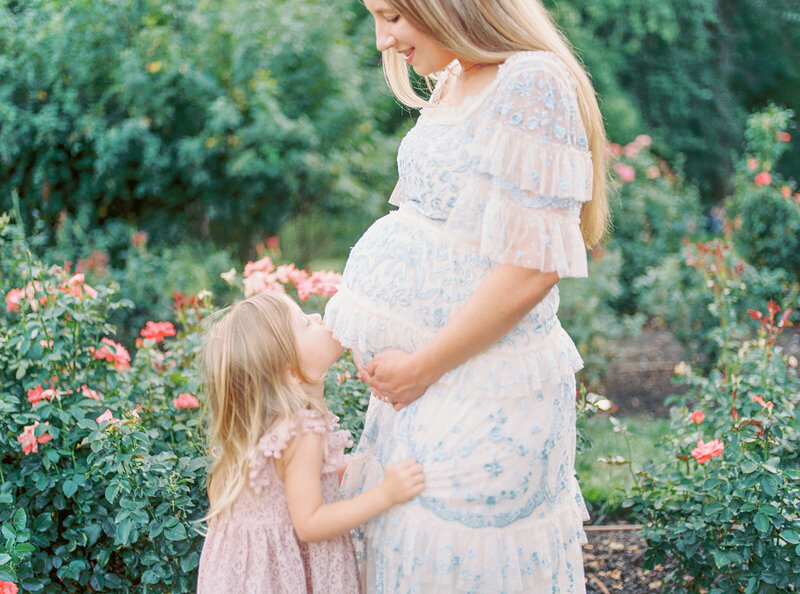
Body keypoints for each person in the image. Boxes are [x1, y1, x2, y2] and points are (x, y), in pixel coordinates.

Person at [322, 0, 610, 591]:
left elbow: (534, 266)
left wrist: (422, 365)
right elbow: (432, 226)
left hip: (483, 387)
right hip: (419, 388)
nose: (382, 40)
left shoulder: (531, 80)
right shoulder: (454, 76)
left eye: (393, 17)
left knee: (460, 564)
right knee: (406, 553)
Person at [196, 292, 425, 593]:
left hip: (246, 575)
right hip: (282, 574)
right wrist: (385, 494)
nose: (318, 318)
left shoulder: (268, 423)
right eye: (305, 324)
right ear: (289, 371)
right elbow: (310, 523)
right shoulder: (302, 429)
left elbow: (290, 487)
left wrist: (352, 471)